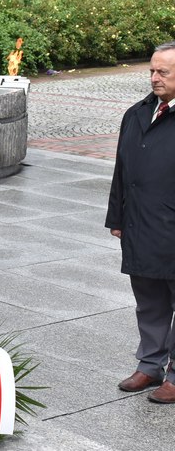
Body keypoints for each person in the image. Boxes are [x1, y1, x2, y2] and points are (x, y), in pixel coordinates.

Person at [107, 41, 175, 403]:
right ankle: (150, 365)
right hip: (140, 224)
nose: (154, 78)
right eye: (151, 70)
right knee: (149, 301)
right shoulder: (137, 113)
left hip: (171, 225)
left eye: (163, 72)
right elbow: (121, 171)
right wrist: (117, 216)